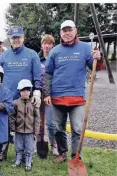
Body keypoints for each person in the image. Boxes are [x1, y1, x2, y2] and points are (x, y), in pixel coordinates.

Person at [44, 20, 103, 162]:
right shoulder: (55, 51)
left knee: (77, 129)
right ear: (60, 33)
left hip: (77, 98)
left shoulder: (85, 48)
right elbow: (48, 74)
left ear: (75, 31)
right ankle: (63, 153)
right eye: (64, 30)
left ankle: (76, 155)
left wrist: (98, 59)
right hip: (58, 97)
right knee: (59, 128)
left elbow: (95, 67)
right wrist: (47, 93)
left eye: (70, 30)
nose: (67, 33)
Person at [0, 25, 43, 161]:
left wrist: (37, 92)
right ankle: (2, 152)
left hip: (26, 98)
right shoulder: (3, 56)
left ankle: (26, 153)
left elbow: (37, 76)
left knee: (26, 124)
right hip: (7, 98)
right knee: (5, 125)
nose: (16, 40)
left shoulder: (32, 54)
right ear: (9, 39)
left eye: (18, 37)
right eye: (13, 38)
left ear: (23, 38)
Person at [10, 80, 40, 171]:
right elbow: (12, 117)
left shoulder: (33, 103)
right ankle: (18, 161)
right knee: (18, 147)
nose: (25, 92)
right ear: (19, 91)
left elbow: (37, 118)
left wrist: (36, 131)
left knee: (29, 148)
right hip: (19, 130)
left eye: (27, 90)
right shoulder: (15, 103)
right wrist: (12, 129)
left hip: (30, 131)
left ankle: (28, 163)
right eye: (23, 90)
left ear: (30, 91)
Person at [37, 34, 58, 157]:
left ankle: (54, 145)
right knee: (38, 122)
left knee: (50, 123)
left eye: (50, 43)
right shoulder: (37, 59)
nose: (47, 46)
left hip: (51, 95)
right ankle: (39, 143)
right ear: (42, 45)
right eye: (45, 43)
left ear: (53, 45)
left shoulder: (55, 58)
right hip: (39, 94)